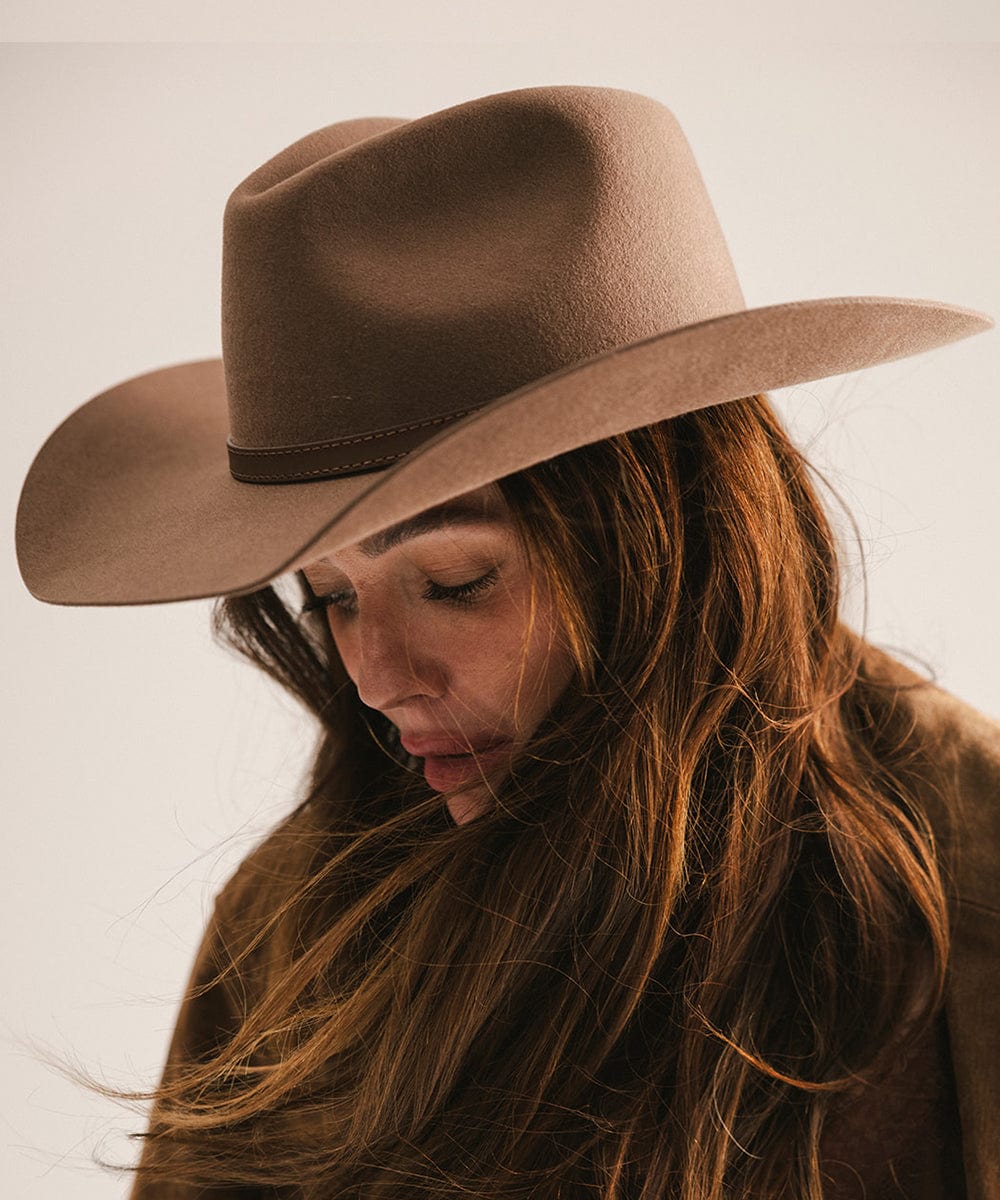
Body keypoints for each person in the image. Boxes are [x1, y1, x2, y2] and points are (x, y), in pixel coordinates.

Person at [14, 84, 1000, 1200]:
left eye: (454, 582)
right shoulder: (297, 922)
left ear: (673, 528)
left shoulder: (965, 874)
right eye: (330, 597)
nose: (376, 679)